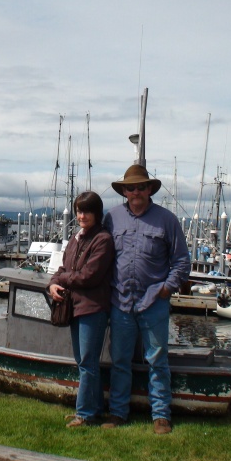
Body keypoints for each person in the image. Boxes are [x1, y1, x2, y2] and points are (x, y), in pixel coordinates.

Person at [101, 164, 191, 435]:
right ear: (124, 191)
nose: (136, 191)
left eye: (141, 186)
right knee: (120, 360)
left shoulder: (167, 220)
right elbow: (102, 256)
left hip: (154, 303)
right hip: (120, 302)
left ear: (150, 189)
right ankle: (118, 412)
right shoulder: (111, 218)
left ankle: (161, 415)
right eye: (131, 187)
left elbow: (181, 262)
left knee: (157, 360)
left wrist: (167, 288)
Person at [48, 191, 115, 428]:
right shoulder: (76, 239)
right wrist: (53, 283)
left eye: (86, 211)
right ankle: (94, 409)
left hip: (93, 309)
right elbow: (62, 268)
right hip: (74, 307)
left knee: (87, 362)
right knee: (85, 363)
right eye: (78, 211)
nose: (81, 215)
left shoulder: (103, 240)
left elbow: (89, 277)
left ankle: (84, 414)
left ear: (97, 213)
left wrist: (63, 278)